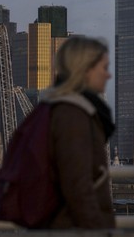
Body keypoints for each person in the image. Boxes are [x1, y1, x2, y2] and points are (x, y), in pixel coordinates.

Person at [41, 36, 116, 229]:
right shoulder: (73, 115)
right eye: (104, 68)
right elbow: (78, 188)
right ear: (85, 70)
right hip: (72, 228)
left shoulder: (68, 109)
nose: (109, 76)